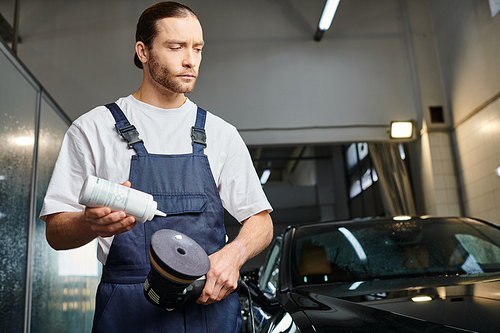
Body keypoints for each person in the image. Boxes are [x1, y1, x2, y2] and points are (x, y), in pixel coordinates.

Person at [40, 2, 273, 332]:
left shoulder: (221, 134)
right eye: (176, 47)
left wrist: (232, 255)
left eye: (197, 48)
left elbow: (261, 222)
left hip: (208, 304)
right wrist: (90, 222)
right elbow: (56, 231)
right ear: (143, 51)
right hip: (127, 309)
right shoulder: (92, 129)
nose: (190, 59)